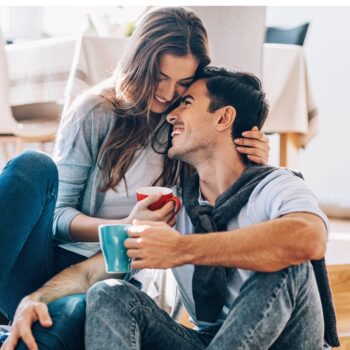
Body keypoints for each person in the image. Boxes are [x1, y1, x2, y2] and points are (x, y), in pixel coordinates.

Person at [3, 68, 338, 350]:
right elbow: (94, 271)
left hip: (286, 340)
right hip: (212, 340)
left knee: (286, 260)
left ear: (224, 117)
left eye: (186, 103)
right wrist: (35, 298)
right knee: (111, 292)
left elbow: (308, 240)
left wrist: (181, 249)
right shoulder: (173, 206)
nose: (172, 114)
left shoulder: (275, 185)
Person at [0, 7, 269, 349]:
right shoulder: (96, 112)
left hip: (107, 272)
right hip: (46, 259)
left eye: (183, 84)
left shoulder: (184, 132)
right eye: (159, 75)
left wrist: (248, 152)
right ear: (140, 63)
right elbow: (55, 217)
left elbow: (220, 186)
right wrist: (124, 226)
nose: (168, 93)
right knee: (32, 166)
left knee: (76, 317)